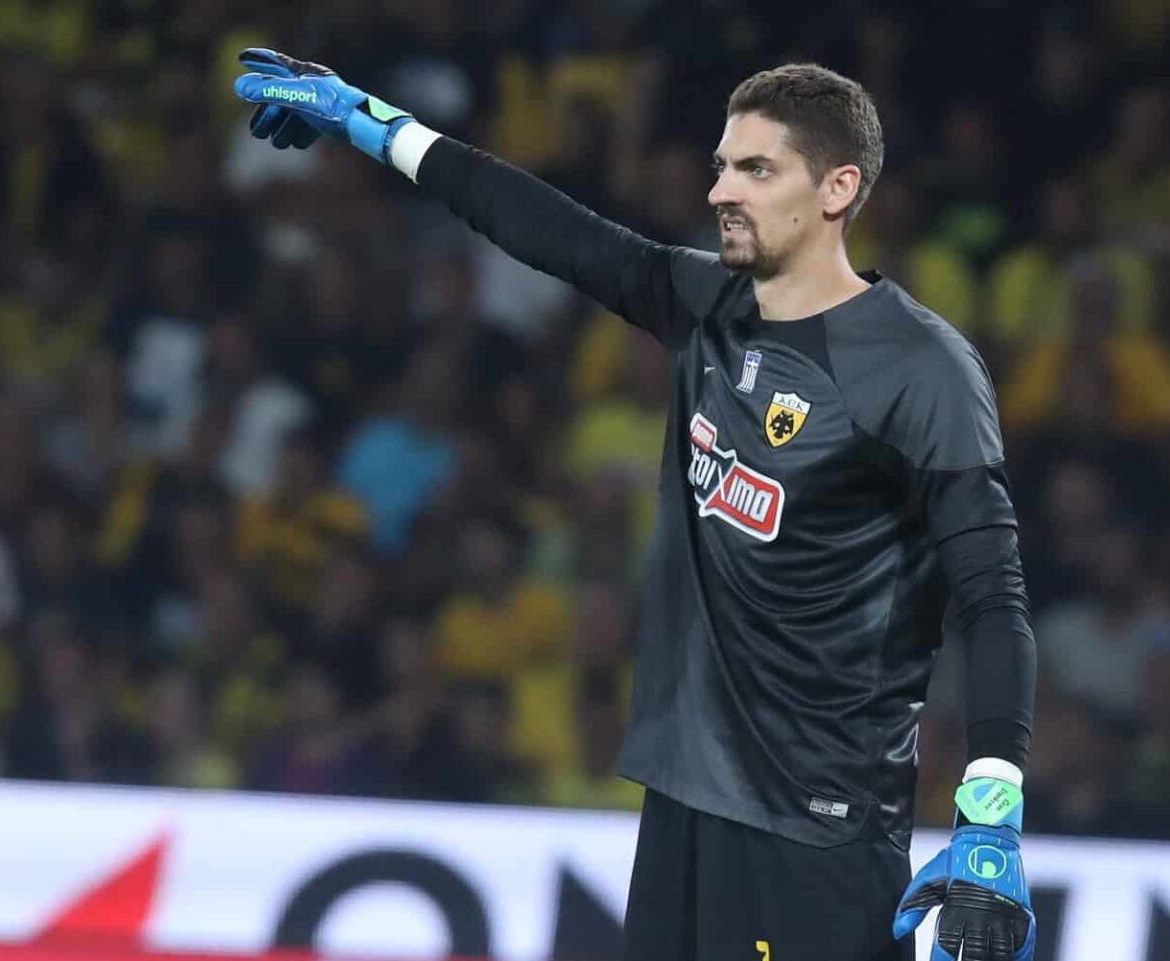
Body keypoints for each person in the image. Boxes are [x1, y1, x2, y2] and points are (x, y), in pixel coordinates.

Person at [235, 50, 1039, 961]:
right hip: (682, 802)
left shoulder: (924, 370)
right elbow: (544, 227)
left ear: (837, 188)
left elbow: (993, 600)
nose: (721, 191)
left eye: (756, 169)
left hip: (817, 830)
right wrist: (374, 124)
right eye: (721, 167)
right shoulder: (706, 304)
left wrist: (990, 810)